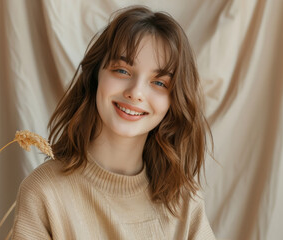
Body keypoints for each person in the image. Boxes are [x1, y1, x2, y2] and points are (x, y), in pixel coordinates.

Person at [11, 5, 215, 240]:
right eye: (122, 70)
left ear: (174, 101)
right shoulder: (43, 191)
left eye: (159, 83)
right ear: (96, 74)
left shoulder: (184, 200)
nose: (136, 93)